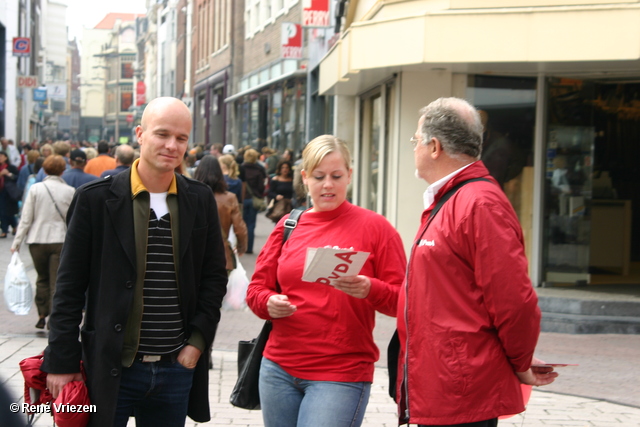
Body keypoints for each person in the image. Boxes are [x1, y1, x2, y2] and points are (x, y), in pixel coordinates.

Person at [41, 97, 229, 427]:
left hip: (176, 368)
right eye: (162, 134)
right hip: (111, 366)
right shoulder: (95, 200)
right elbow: (68, 288)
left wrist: (197, 343)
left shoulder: (199, 199)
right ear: (140, 134)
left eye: (181, 138)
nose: (172, 145)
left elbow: (214, 277)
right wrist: (61, 359)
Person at [397, 97, 558, 427]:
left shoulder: (477, 204)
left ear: (435, 146)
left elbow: (514, 300)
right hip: (447, 384)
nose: (414, 147)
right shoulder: (454, 199)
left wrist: (520, 360)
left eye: (416, 140)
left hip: (462, 388)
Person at [246, 135, 407, 427]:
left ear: (350, 175)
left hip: (341, 373)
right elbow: (256, 290)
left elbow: (404, 301)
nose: (328, 185)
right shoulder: (289, 226)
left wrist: (370, 288)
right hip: (278, 368)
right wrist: (269, 302)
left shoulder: (377, 228)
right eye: (319, 177)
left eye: (336, 176)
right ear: (305, 178)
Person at [10, 155, 75, 329]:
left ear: (44, 170)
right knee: (57, 280)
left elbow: (26, 218)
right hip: (60, 239)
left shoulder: (36, 189)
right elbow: (73, 220)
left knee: (42, 278)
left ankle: (41, 313)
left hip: (37, 240)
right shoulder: (70, 191)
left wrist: (16, 242)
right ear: (63, 170)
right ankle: (54, 317)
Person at [193, 155, 247, 271]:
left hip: (194, 252)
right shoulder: (230, 198)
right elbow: (239, 227)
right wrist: (241, 246)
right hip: (220, 252)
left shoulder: (190, 196)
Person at [239, 148, 267, 254]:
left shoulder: (241, 168)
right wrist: (259, 194)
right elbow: (261, 186)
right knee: (251, 225)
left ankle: (241, 246)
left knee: (242, 224)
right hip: (253, 199)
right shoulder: (259, 169)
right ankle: (249, 248)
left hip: (243, 199)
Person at [0, 151, 20, 237]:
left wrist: (8, 174)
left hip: (9, 192)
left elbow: (17, 178)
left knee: (10, 212)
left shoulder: (11, 167)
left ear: (6, 157)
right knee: (2, 212)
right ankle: (4, 230)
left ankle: (14, 225)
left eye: (1, 156)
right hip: (1, 192)